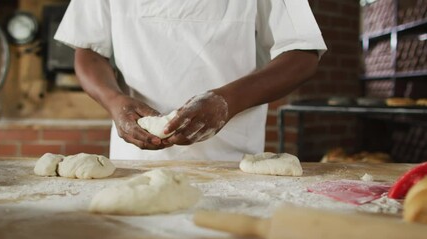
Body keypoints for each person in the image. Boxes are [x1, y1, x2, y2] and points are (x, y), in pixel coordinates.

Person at [55, 0, 327, 161]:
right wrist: (114, 101)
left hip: (232, 162)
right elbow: (88, 49)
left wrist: (228, 101)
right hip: (136, 163)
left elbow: (302, 53)